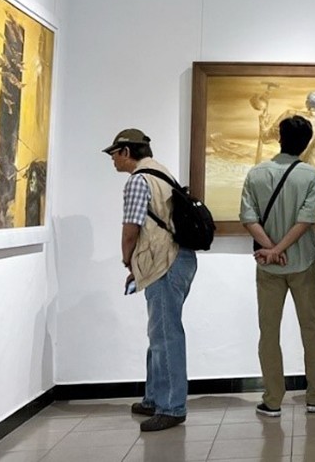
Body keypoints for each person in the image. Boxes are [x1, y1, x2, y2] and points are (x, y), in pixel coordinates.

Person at [103, 129, 197, 432]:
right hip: (179, 259)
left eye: (114, 154)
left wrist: (127, 259)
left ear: (126, 152)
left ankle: (171, 407)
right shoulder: (163, 174)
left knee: (165, 334)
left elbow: (130, 230)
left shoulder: (138, 181)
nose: (113, 160)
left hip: (164, 263)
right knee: (160, 330)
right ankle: (155, 397)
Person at [240, 115, 315, 416]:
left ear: (280, 138)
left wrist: (270, 250)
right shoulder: (312, 176)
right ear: (306, 143)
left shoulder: (256, 173)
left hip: (268, 267)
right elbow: (306, 219)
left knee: (269, 333)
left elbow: (248, 217)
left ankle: (273, 399)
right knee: (312, 330)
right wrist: (278, 250)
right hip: (303, 262)